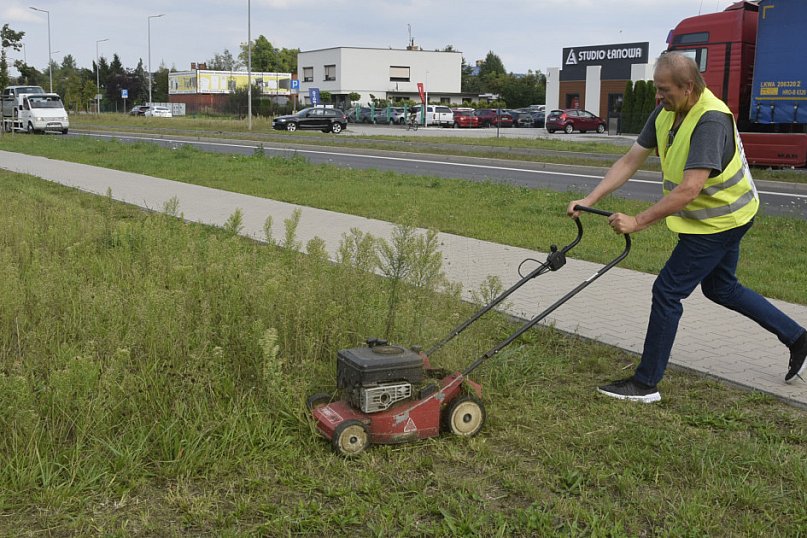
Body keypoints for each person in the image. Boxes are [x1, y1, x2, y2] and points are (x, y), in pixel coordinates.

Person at [567, 52, 807, 403]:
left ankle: (645, 383)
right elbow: (630, 159)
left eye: (664, 90)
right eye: (656, 89)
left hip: (722, 220)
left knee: (667, 291)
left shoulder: (710, 120)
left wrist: (637, 221)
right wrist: (590, 198)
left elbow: (690, 188)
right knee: (721, 288)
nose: (658, 96)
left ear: (688, 87)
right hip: (710, 218)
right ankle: (797, 337)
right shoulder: (666, 112)